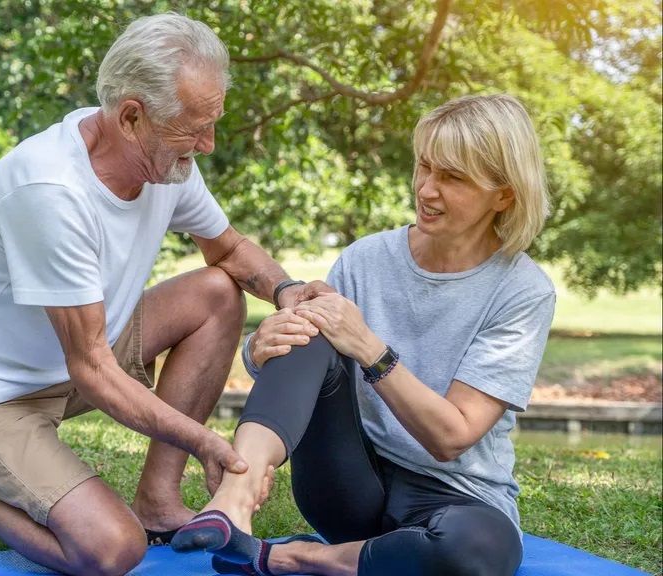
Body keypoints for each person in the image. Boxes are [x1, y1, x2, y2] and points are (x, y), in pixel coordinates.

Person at [0, 13, 327, 576]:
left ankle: (159, 500)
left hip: (72, 361)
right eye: (195, 127)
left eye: (211, 123)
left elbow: (228, 252)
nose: (208, 144)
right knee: (110, 552)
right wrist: (205, 441)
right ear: (130, 116)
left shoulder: (167, 161)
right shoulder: (50, 191)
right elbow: (94, 368)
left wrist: (288, 290)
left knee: (218, 293)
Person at [170, 94, 556, 576]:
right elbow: (311, 359)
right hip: (349, 483)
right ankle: (234, 500)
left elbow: (451, 437)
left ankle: (297, 557)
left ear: (504, 195)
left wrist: (370, 349)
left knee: (474, 554)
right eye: (424, 167)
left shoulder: (522, 290)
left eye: (453, 178)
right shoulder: (366, 259)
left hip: (457, 498)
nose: (427, 190)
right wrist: (259, 348)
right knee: (313, 321)